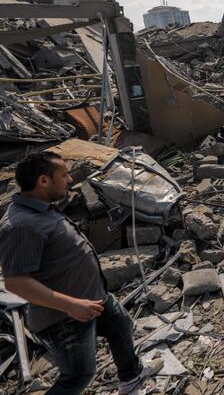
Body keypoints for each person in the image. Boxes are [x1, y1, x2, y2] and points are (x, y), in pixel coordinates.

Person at [0, 152, 162, 395]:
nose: (69, 181)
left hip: (91, 298)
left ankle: (131, 378)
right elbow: (16, 283)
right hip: (65, 316)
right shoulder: (21, 226)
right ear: (43, 181)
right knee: (78, 376)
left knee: (120, 325)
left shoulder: (40, 208)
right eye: (63, 175)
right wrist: (71, 305)